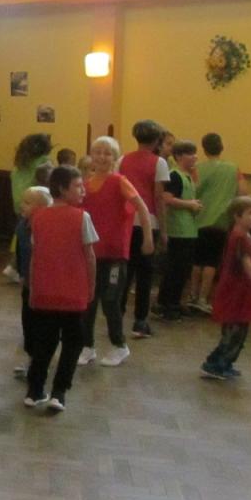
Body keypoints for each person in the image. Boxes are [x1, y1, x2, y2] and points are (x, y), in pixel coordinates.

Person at [24, 165, 97, 413]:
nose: (83, 190)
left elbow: (35, 256)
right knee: (73, 343)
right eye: (78, 185)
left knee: (44, 343)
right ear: (63, 189)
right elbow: (89, 256)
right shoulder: (82, 217)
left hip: (45, 292)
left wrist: (33, 288)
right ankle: (59, 392)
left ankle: (34, 390)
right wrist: (91, 286)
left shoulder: (38, 218)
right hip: (73, 293)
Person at [78, 136, 152, 368]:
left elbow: (141, 207)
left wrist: (148, 237)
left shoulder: (120, 181)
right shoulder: (85, 185)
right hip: (92, 253)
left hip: (115, 254)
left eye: (107, 153)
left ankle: (119, 345)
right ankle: (87, 346)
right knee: (89, 300)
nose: (102, 157)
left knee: (111, 300)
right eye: (97, 152)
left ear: (114, 158)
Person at [200, 197, 251, 380]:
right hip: (235, 293)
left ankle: (224, 363)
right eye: (250, 213)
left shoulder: (243, 236)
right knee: (234, 332)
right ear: (237, 216)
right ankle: (216, 364)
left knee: (239, 331)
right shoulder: (240, 238)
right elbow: (247, 264)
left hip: (241, 292)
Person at [116, 119, 168, 338]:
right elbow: (158, 197)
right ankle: (140, 321)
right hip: (149, 221)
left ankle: (117, 314)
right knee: (145, 273)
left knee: (125, 270)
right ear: (157, 140)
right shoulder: (159, 163)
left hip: (126, 220)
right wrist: (163, 229)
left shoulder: (122, 160)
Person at [190, 133, 248, 312]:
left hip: (197, 218)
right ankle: (203, 299)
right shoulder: (233, 169)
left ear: (204, 149)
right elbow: (243, 193)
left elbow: (191, 190)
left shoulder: (197, 168)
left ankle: (192, 295)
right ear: (221, 146)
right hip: (220, 220)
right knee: (211, 261)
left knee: (196, 260)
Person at [157, 140, 203, 320]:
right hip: (178, 230)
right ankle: (167, 303)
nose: (194, 157)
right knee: (174, 269)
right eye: (190, 154)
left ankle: (174, 302)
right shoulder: (175, 176)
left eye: (194, 153)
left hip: (188, 229)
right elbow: (167, 198)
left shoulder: (188, 176)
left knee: (183, 270)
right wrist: (189, 204)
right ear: (179, 156)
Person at [11, 186, 52, 378]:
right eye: (23, 201)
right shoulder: (22, 224)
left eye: (28, 203)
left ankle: (39, 363)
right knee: (27, 322)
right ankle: (31, 357)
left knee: (41, 325)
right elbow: (21, 249)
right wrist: (20, 272)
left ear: (43, 208)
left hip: (44, 285)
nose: (22, 205)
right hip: (28, 282)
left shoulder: (48, 227)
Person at [3, 133, 53, 282]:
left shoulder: (19, 164)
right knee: (34, 242)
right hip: (36, 206)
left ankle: (16, 267)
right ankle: (27, 271)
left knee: (22, 238)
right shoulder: (44, 162)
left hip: (20, 205)